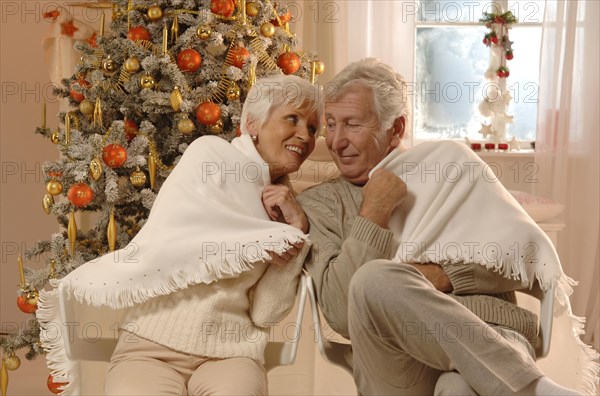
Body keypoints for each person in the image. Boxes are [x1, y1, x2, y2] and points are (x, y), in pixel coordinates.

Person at [297, 58, 582, 395]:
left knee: (457, 387)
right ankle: (534, 389)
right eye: (331, 124)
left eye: (353, 124)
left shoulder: (449, 165)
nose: (336, 141)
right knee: (372, 278)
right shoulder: (320, 204)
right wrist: (374, 211)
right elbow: (343, 313)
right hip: (394, 355)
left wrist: (441, 274)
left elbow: (519, 261)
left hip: (489, 330)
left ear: (396, 129)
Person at [38, 73, 322, 395]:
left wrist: (296, 233)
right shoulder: (209, 155)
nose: (305, 135)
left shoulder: (288, 213)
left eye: (313, 128)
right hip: (149, 345)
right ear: (253, 124)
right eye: (293, 119)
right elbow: (199, 237)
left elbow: (265, 313)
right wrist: (264, 238)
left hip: (232, 354)